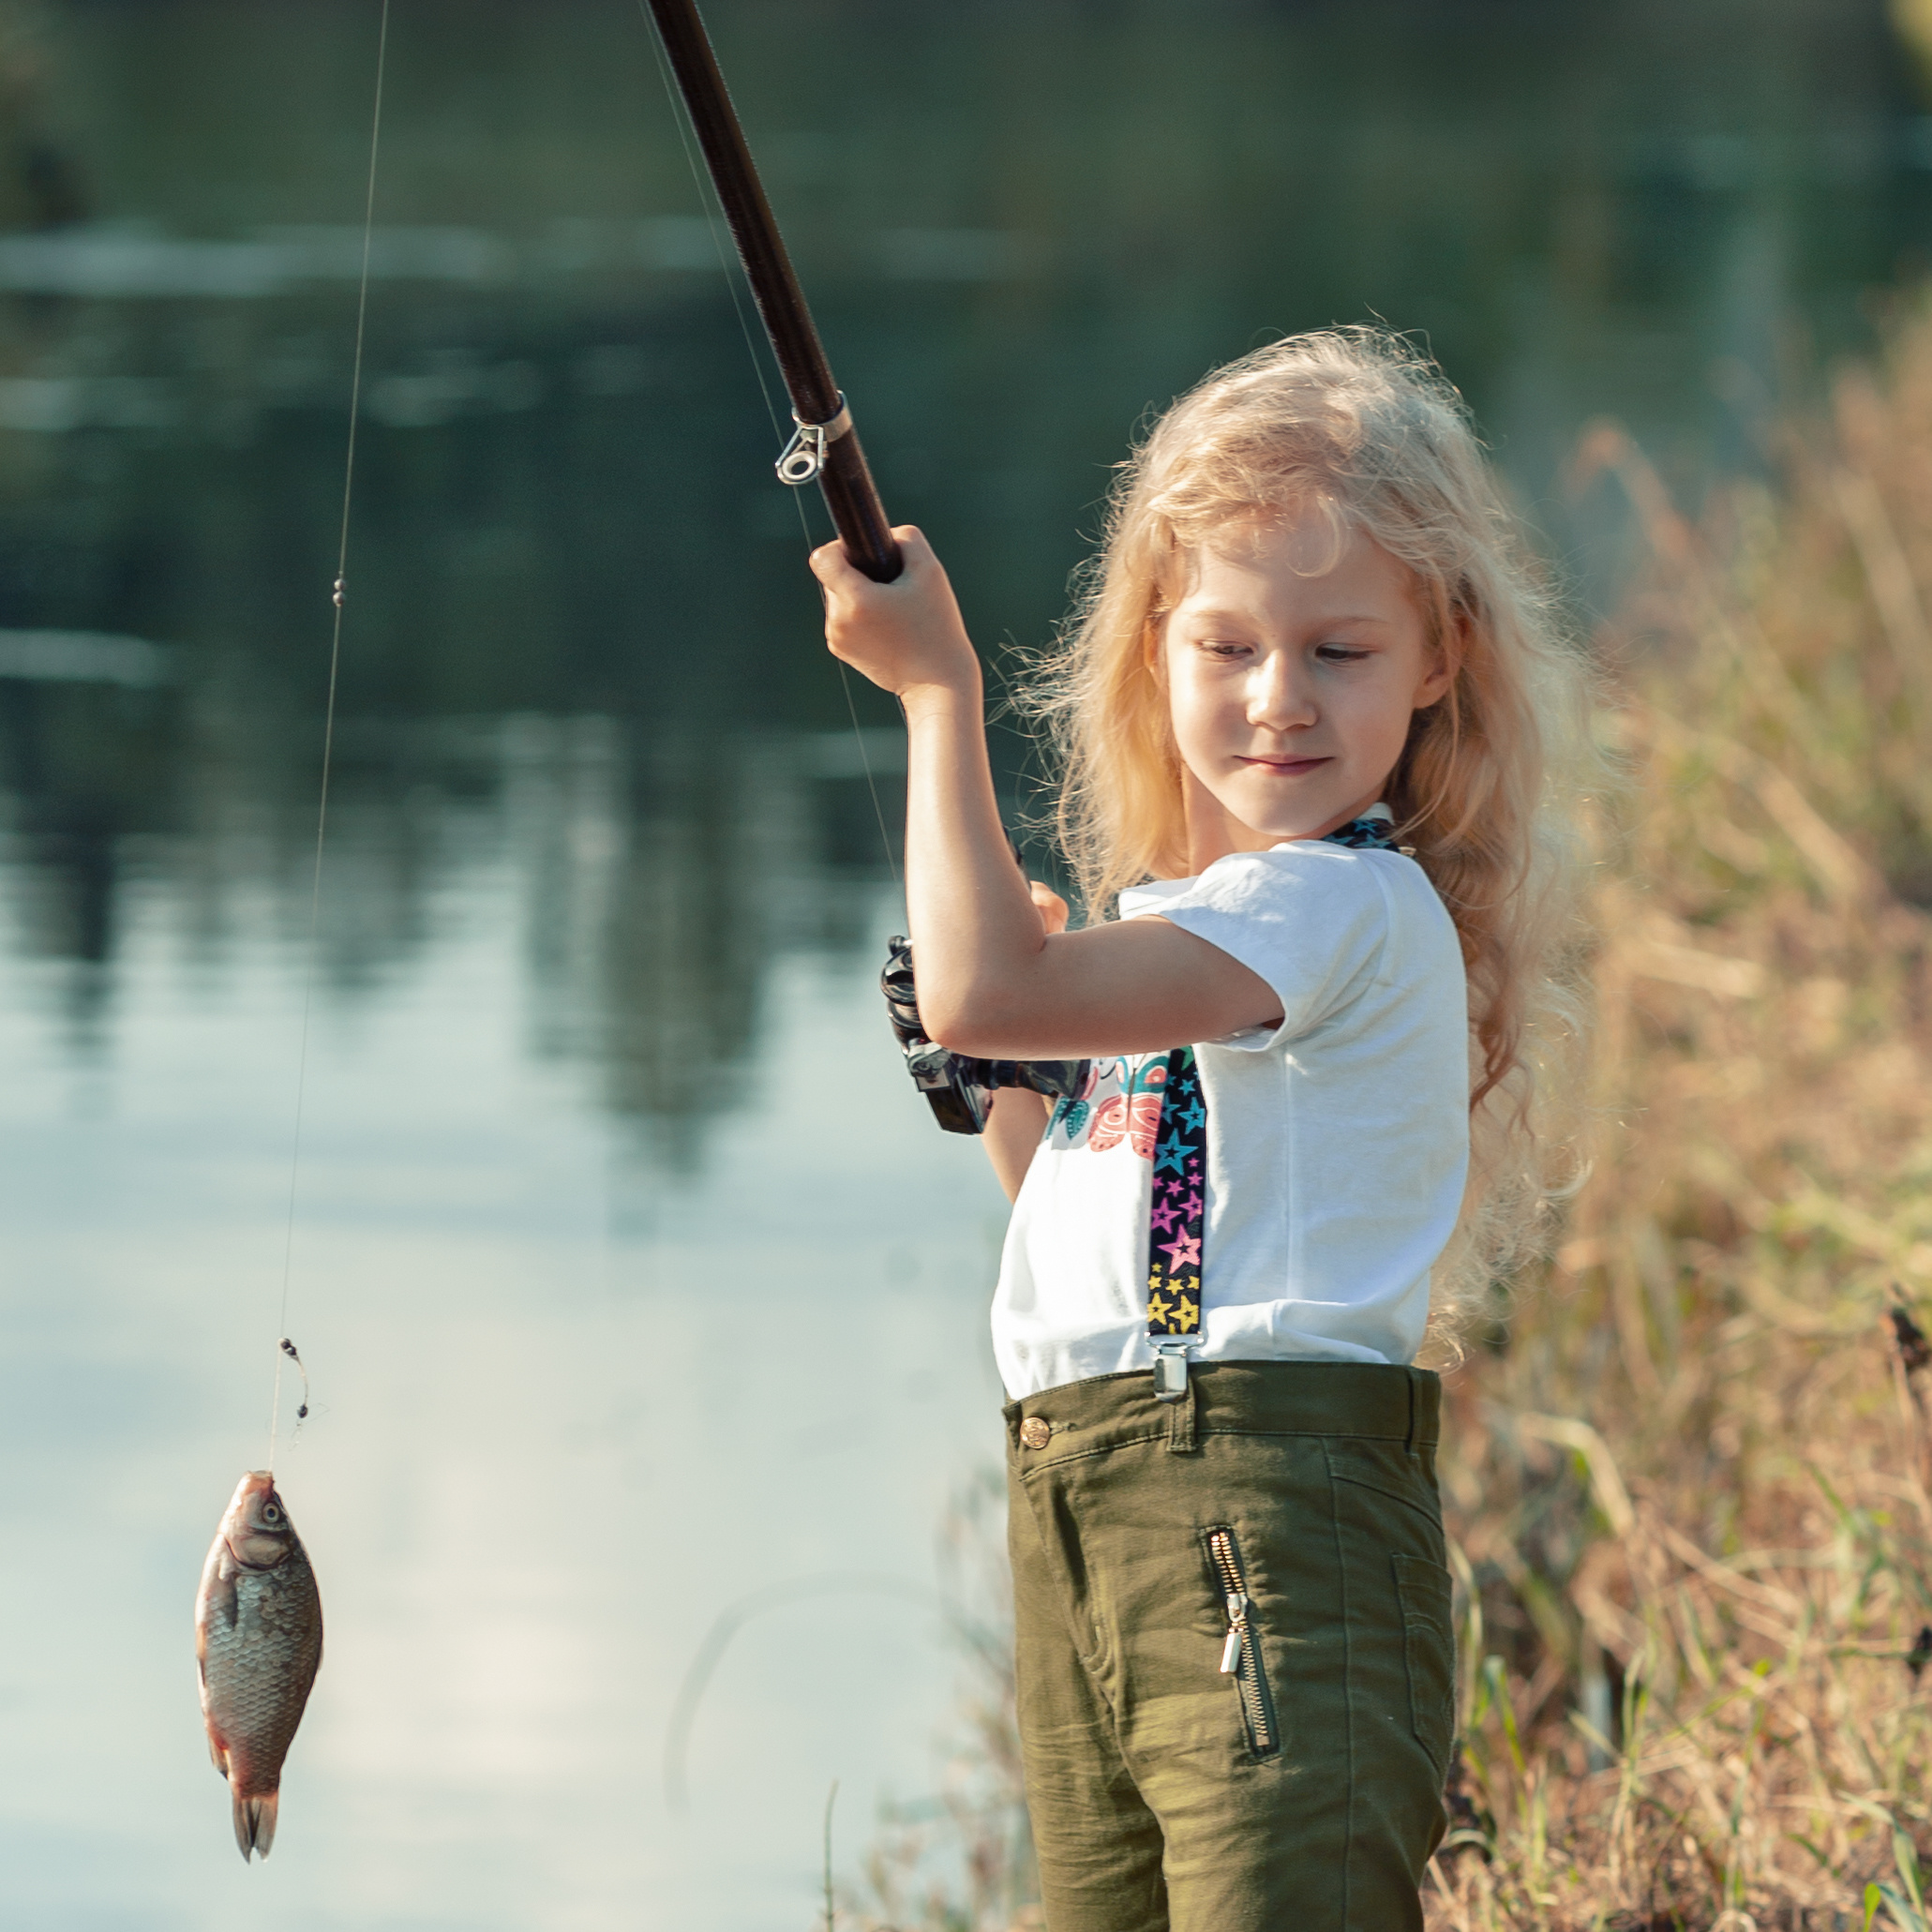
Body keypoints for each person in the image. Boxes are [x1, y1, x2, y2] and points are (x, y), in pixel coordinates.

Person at [811, 328, 1585, 1932]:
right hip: (1084, 1507)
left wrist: (938, 692)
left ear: (1438, 655)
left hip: (1265, 1528)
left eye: (1337, 649)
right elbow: (1086, 1232)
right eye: (1226, 643)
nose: (1275, 696)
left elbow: (982, 985)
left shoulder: (1336, 906)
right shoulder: (1206, 929)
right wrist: (1007, 1085)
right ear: (1154, 648)